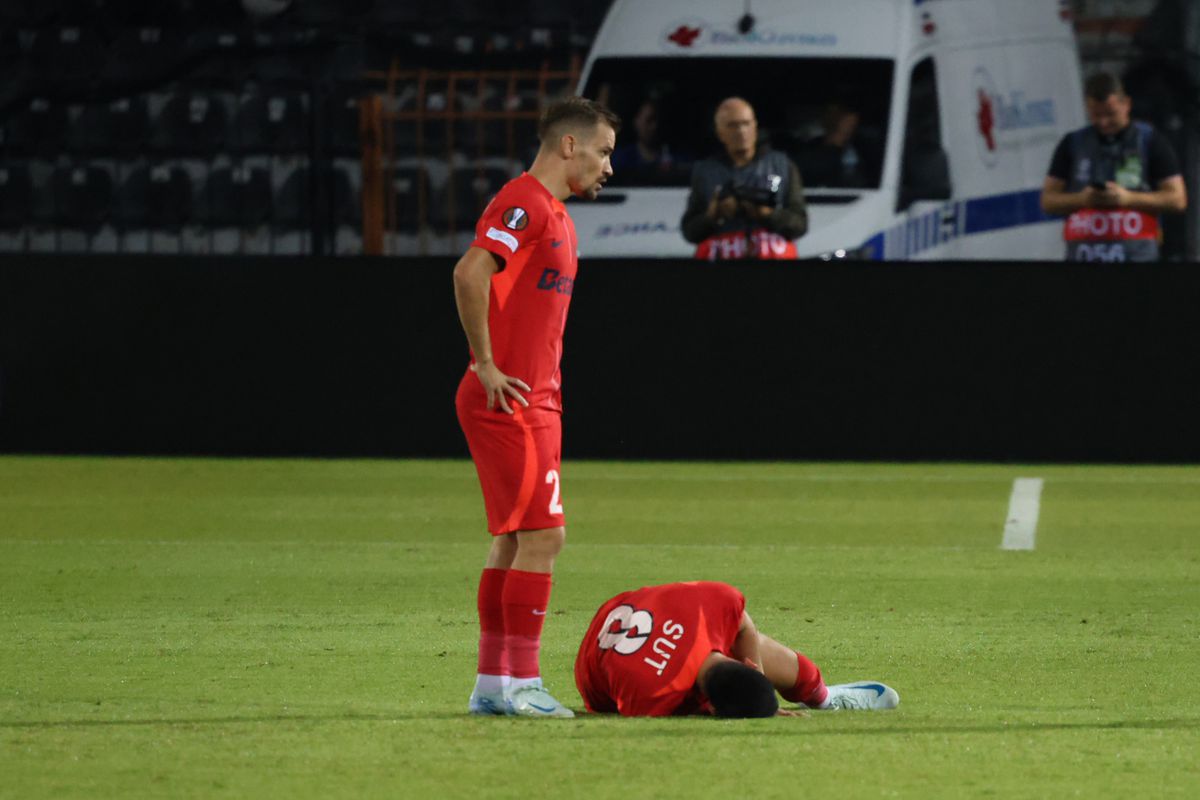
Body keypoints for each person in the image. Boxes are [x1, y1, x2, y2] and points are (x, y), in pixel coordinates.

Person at [453, 96, 619, 718]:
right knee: (546, 537)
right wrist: (486, 364)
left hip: (534, 400)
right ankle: (521, 682)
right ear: (569, 145)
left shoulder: (556, 214)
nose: (609, 166)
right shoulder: (525, 202)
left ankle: (494, 683)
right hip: (512, 398)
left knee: (514, 540)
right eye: (602, 151)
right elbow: (470, 273)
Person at [575, 581, 900, 718]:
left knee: (777, 664)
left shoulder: (720, 601)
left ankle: (825, 698)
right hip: (595, 670)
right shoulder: (652, 695)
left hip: (629, 610)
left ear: (742, 663)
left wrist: (757, 675)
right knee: (748, 690)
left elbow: (744, 624)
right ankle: (816, 698)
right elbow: (606, 705)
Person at [1040, 72, 1187, 263]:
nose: (1103, 122)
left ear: (1126, 104)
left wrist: (1128, 198)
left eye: (1111, 114)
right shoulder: (1073, 144)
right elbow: (1048, 200)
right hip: (1083, 261)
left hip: (1137, 262)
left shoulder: (1150, 141)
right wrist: (1083, 199)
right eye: (1096, 115)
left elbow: (1177, 199)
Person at [680, 97, 808, 261]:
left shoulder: (782, 166)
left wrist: (768, 214)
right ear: (720, 133)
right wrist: (713, 216)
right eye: (732, 125)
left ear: (755, 127)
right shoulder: (705, 172)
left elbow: (800, 225)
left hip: (772, 263)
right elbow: (690, 232)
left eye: (746, 123)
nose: (741, 131)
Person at [797, 103, 869, 189]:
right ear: (835, 121)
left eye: (853, 125)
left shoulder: (859, 150)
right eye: (847, 122)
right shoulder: (810, 154)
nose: (852, 127)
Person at [610, 98, 685, 176]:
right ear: (636, 122)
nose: (655, 126)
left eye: (658, 120)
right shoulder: (620, 159)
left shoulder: (678, 160)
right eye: (649, 120)